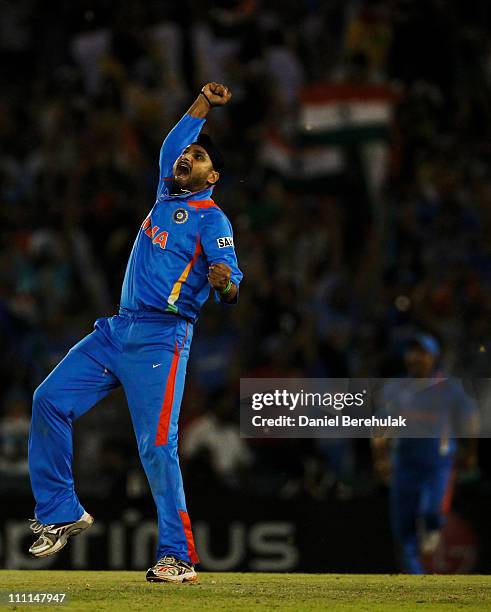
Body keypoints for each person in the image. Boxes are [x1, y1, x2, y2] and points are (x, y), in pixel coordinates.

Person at [27, 82, 243, 584]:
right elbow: (172, 146)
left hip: (161, 339)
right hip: (116, 329)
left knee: (156, 445)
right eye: (187, 154)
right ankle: (60, 512)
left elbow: (232, 281)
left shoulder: (213, 220)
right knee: (49, 399)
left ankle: (178, 556)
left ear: (216, 175)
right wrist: (203, 106)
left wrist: (225, 283)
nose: (188, 157)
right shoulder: (166, 191)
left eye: (200, 156)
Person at [372, 333, 478, 574]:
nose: (416, 358)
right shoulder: (395, 388)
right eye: (412, 352)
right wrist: (380, 456)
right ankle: (416, 582)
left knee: (431, 512)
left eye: (422, 352)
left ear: (433, 357)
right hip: (404, 461)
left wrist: (471, 450)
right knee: (404, 527)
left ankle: (433, 527)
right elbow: (381, 425)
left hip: (436, 462)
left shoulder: (449, 387)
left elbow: (469, 417)